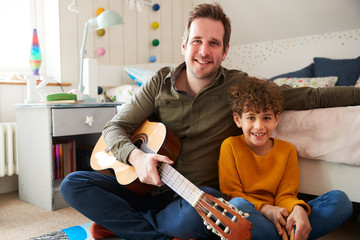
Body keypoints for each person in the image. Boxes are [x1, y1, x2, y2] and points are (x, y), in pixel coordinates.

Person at [60, 3, 358, 240]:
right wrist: (136, 157)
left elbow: (306, 97)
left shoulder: (240, 87)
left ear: (225, 51)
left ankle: (129, 228)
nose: (204, 51)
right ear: (184, 45)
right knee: (73, 184)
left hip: (195, 200)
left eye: (214, 43)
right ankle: (158, 235)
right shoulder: (157, 83)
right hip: (143, 188)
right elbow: (114, 128)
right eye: (197, 41)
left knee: (217, 211)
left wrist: (356, 94)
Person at [218, 77, 353, 240]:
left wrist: (297, 209)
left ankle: (284, 234)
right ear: (238, 119)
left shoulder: (287, 150)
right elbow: (232, 195)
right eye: (251, 117)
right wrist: (266, 209)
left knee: (341, 201)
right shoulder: (230, 146)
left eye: (266, 117)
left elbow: (285, 195)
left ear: (276, 119)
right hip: (253, 216)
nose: (259, 126)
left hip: (283, 216)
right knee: (238, 206)